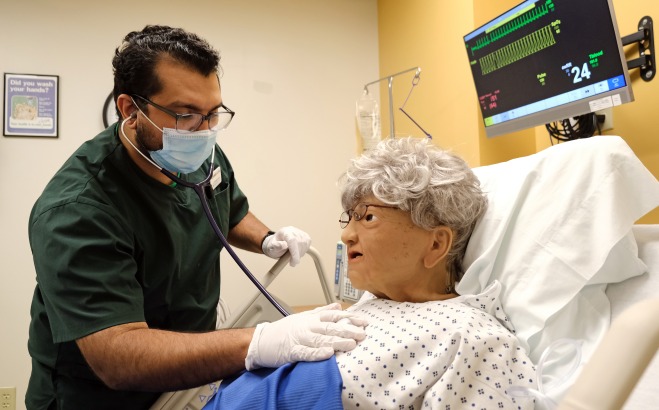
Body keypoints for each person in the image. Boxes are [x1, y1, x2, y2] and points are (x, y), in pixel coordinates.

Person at [26, 25, 366, 410]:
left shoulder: (198, 155)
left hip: (184, 381)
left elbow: (229, 209)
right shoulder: (78, 211)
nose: (204, 131)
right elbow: (117, 355)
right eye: (186, 114)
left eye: (213, 114)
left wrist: (268, 238)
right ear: (130, 110)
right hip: (99, 397)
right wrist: (258, 342)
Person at [204, 137, 537, 409]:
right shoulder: (369, 306)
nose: (347, 234)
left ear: (436, 245)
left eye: (367, 217)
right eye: (349, 217)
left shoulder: (474, 338)